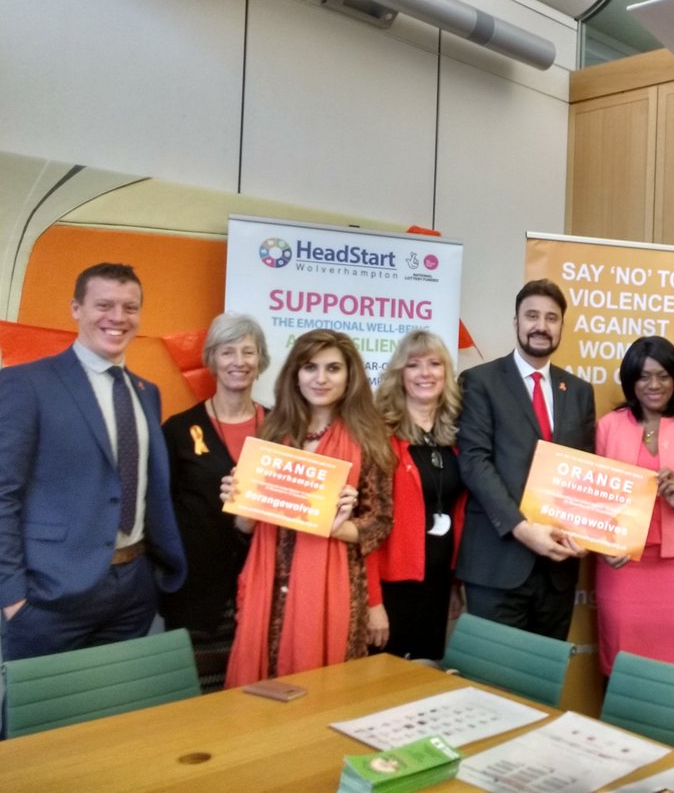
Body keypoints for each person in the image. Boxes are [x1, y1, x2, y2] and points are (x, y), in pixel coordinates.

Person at [0, 262, 186, 661]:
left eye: (130, 307)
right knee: (45, 703)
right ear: (76, 308)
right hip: (50, 597)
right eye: (104, 305)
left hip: (134, 589)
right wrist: (11, 595)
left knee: (120, 700)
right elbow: (3, 493)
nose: (118, 317)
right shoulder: (26, 384)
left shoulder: (147, 392)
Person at [223, 329, 394, 686]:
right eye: (310, 367)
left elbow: (380, 521)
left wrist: (338, 527)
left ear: (349, 376)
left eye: (333, 368)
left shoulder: (369, 437)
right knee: (262, 693)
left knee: (324, 692)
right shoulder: (271, 432)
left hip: (334, 591)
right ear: (295, 375)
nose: (320, 378)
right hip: (269, 586)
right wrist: (239, 505)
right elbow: (247, 527)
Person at [456, 279, 596, 640]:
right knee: (493, 672)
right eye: (532, 315)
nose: (541, 326)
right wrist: (521, 527)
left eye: (551, 318)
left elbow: (584, 471)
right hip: (497, 563)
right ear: (516, 321)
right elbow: (474, 462)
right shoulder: (479, 382)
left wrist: (589, 531)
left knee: (544, 674)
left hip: (558, 569)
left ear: (561, 326)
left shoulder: (579, 392)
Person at [594, 335, 674, 674]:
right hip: (622, 567)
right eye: (644, 377)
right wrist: (602, 544)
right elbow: (594, 500)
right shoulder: (608, 426)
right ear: (630, 381)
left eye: (663, 376)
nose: (654, 385)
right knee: (622, 665)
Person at [160, 313, 269, 690]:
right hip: (197, 595)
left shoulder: (282, 428)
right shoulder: (178, 430)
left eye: (248, 352)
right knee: (200, 700)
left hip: (264, 589)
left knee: (260, 697)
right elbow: (160, 511)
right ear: (211, 359)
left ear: (260, 360)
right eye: (227, 351)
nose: (239, 361)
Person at [370, 330, 467, 660]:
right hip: (392, 586)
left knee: (424, 675)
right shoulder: (379, 436)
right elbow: (367, 526)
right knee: (382, 680)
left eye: (434, 364)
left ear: (446, 372)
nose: (425, 373)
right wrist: (372, 602)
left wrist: (455, 584)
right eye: (413, 365)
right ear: (400, 374)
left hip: (438, 583)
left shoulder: (457, 436)